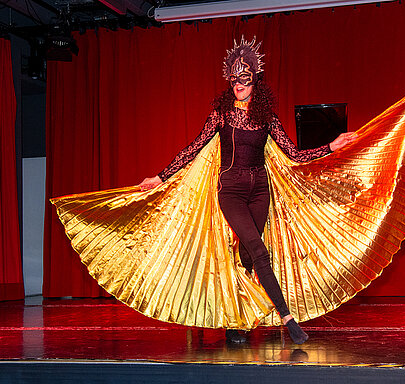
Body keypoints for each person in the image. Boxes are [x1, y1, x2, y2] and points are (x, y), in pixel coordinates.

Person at [138, 37, 355, 344]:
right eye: (233, 78)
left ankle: (238, 317)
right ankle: (288, 318)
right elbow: (193, 149)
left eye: (244, 77)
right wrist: (160, 177)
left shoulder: (267, 118)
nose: (237, 83)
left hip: (260, 191)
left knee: (248, 257)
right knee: (259, 250)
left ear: (255, 80)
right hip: (231, 191)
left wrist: (331, 146)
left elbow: (294, 154)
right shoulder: (221, 115)